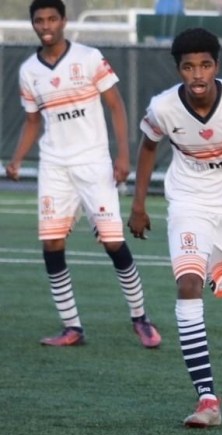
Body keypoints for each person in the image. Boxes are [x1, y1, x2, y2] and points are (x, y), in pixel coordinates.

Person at [127, 28, 222, 428]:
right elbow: (148, 146)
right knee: (188, 284)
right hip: (190, 205)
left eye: (205, 65)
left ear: (217, 66)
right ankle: (207, 399)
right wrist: (138, 204)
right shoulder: (162, 108)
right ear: (179, 69)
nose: (197, 74)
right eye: (188, 66)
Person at [6, 0, 162, 349]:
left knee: (112, 242)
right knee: (52, 243)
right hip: (54, 166)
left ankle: (141, 318)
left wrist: (122, 155)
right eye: (39, 20)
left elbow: (117, 106)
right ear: (33, 24)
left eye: (51, 18)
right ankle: (71, 327)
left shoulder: (89, 58)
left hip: (93, 163)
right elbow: (33, 121)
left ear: (63, 21)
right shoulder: (29, 70)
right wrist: (16, 159)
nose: (45, 25)